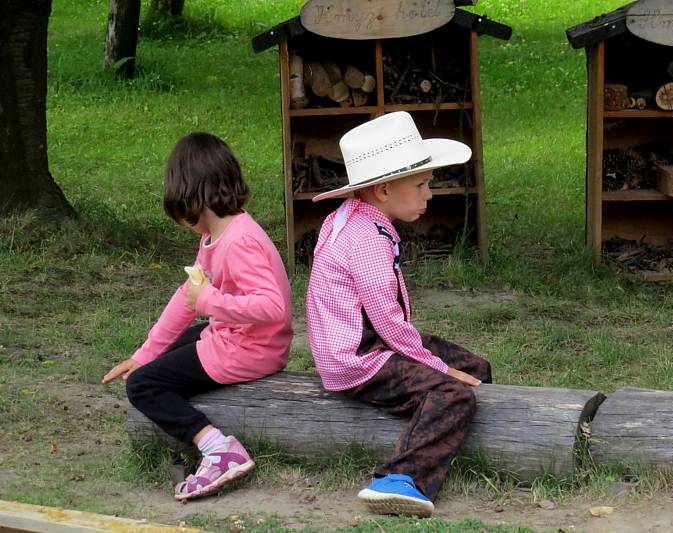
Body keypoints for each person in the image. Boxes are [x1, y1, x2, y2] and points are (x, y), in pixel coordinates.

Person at [306, 112, 492, 517]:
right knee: (454, 390)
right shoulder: (368, 239)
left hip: (369, 342)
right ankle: (399, 478)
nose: (430, 193)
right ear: (385, 190)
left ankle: (446, 437)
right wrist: (439, 368)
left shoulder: (350, 218)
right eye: (422, 184)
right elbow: (388, 321)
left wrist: (442, 362)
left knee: (477, 367)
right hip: (359, 358)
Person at [102, 132, 293, 501]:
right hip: (237, 337)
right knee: (155, 362)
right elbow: (187, 297)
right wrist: (145, 353)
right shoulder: (215, 235)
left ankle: (217, 449)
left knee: (142, 385)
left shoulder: (239, 241)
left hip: (251, 349)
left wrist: (209, 301)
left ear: (192, 196)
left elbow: (272, 307)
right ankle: (206, 437)